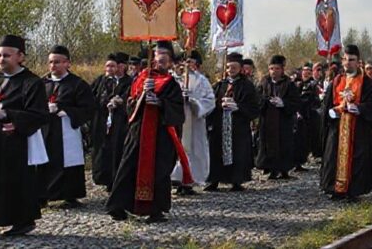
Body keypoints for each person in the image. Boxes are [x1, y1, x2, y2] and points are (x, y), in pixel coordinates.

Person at [106, 40, 185, 223]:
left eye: (165, 60)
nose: (161, 63)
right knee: (128, 168)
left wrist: (160, 103)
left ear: (171, 62)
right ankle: (118, 206)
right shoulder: (142, 78)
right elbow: (130, 103)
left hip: (161, 134)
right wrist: (142, 94)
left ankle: (155, 210)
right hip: (138, 131)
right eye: (158, 59)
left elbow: (178, 111)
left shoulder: (172, 84)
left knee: (158, 171)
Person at [0, 35, 48, 235]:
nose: (1, 59)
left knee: (15, 183)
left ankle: (22, 221)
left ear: (20, 57)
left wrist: (9, 114)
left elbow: (39, 114)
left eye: (6, 55)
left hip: (15, 143)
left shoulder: (32, 82)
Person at [38, 45, 96, 209]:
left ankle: (70, 195)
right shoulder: (42, 83)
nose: (53, 66)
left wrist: (66, 111)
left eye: (57, 62)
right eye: (50, 62)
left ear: (67, 63)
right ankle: (42, 195)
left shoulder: (77, 84)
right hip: (46, 129)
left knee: (69, 161)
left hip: (67, 128)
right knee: (43, 160)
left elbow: (89, 108)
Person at [320, 45, 372, 200]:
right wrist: (332, 112)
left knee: (357, 159)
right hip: (338, 128)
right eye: (345, 59)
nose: (348, 63)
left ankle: (353, 191)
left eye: (351, 60)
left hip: (358, 128)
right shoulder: (337, 81)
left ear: (358, 62)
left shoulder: (367, 82)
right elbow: (327, 104)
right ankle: (336, 189)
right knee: (334, 157)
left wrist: (358, 108)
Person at [206, 52, 259, 192]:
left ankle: (236, 181)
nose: (231, 70)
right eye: (229, 67)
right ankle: (214, 180)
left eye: (234, 67)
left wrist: (238, 107)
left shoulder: (247, 86)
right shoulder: (219, 85)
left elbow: (254, 107)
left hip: (238, 126)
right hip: (220, 124)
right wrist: (219, 105)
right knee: (216, 152)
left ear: (240, 68)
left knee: (238, 153)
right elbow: (210, 102)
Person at [171, 50, 215, 195]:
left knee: (194, 149)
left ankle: (190, 180)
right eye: (182, 62)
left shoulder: (200, 80)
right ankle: (174, 178)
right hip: (174, 121)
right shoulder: (171, 79)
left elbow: (209, 100)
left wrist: (193, 102)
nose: (185, 65)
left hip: (194, 120)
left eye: (189, 62)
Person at [90, 53, 132, 191]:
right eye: (108, 65)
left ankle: (115, 179)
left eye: (114, 65)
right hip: (102, 119)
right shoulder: (101, 81)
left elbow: (130, 96)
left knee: (116, 149)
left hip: (119, 121)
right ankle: (103, 176)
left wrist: (120, 101)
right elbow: (91, 95)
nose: (111, 68)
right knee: (102, 149)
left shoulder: (128, 81)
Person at [255, 55, 300, 180]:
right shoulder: (264, 82)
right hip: (267, 119)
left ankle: (284, 170)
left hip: (283, 120)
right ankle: (271, 169)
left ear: (282, 70)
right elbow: (257, 99)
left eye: (276, 69)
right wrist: (266, 101)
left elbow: (296, 102)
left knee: (284, 144)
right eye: (271, 69)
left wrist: (283, 103)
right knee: (268, 144)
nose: (273, 72)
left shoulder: (289, 84)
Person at [294, 62, 320, 171]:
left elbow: (314, 100)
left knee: (305, 140)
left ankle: (302, 161)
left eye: (309, 72)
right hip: (297, 115)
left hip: (308, 115)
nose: (306, 73)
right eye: (305, 71)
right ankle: (296, 163)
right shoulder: (296, 84)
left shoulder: (313, 85)